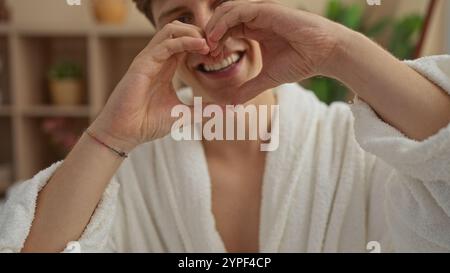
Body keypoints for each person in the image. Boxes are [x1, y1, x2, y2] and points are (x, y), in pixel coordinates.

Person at [1, 0, 450, 253]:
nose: (209, 37)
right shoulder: (131, 172)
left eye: (225, 5)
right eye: (180, 18)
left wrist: (337, 51)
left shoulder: (355, 148)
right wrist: (110, 136)